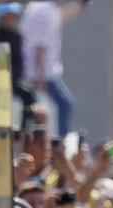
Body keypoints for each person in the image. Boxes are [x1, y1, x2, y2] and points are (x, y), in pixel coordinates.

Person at [20, 0, 87, 136]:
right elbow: (39, 47)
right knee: (65, 104)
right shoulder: (44, 10)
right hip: (43, 74)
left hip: (40, 73)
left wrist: (80, 5)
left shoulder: (41, 7)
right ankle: (60, 143)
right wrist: (40, 79)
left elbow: (59, 18)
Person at [0, 3, 37, 130]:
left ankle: (25, 129)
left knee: (29, 95)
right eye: (10, 16)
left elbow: (19, 60)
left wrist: (13, 75)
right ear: (2, 17)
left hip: (13, 77)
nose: (12, 19)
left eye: (14, 16)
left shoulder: (17, 35)